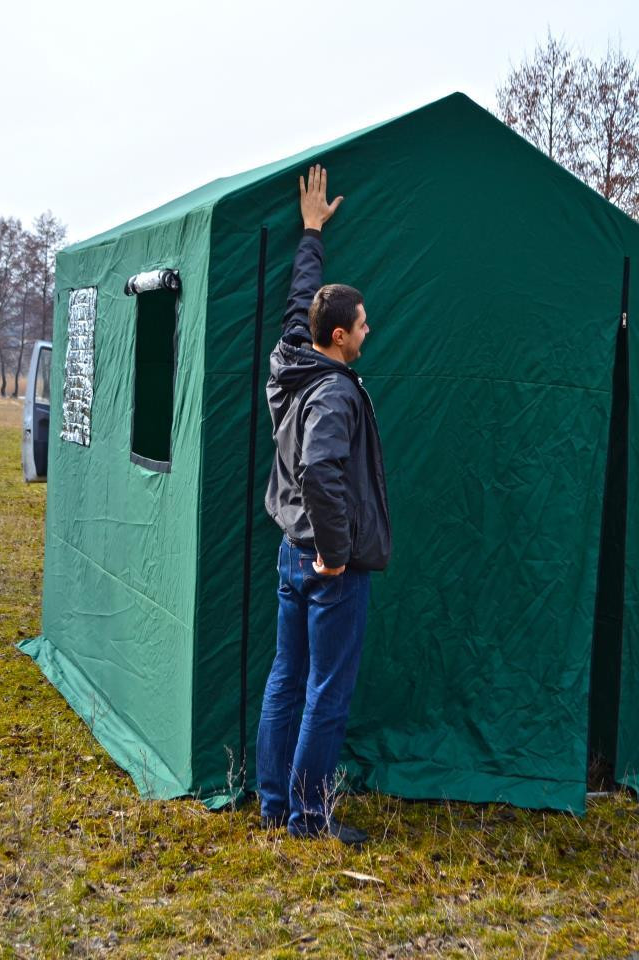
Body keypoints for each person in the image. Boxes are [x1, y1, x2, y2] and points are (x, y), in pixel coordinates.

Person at [255, 164, 392, 846]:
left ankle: (274, 806)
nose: (368, 332)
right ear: (338, 336)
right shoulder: (334, 391)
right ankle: (309, 819)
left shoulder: (291, 360)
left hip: (289, 551)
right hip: (323, 562)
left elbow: (299, 302)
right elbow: (317, 467)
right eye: (361, 325)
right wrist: (336, 552)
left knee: (287, 677)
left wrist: (311, 233)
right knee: (325, 694)